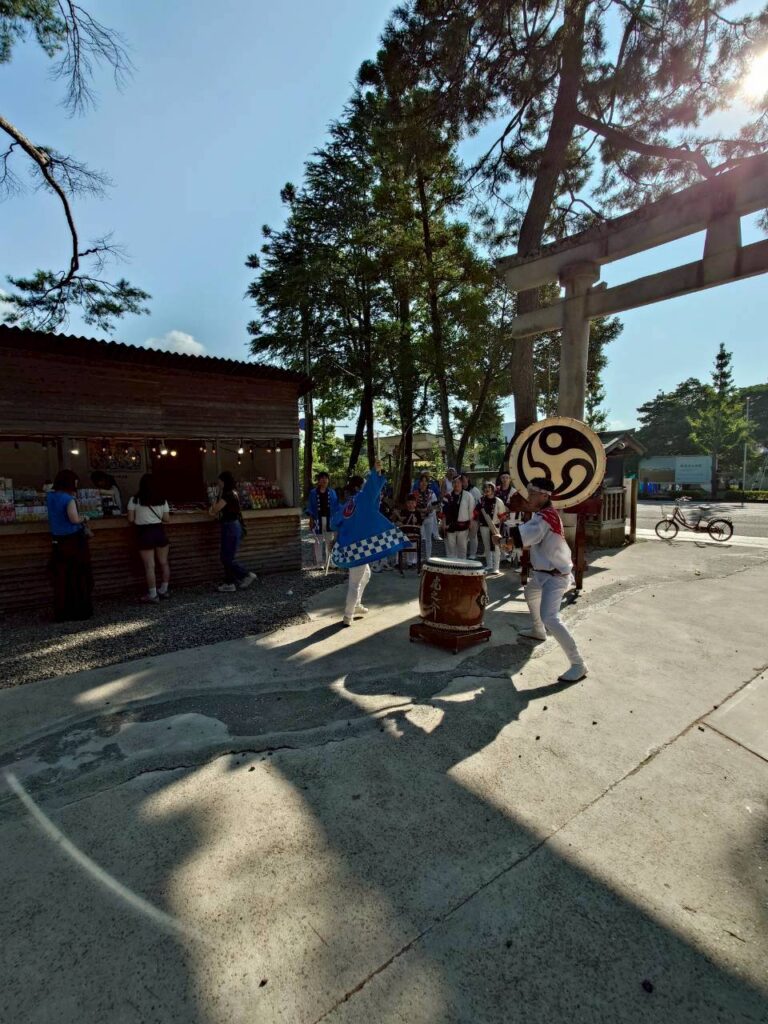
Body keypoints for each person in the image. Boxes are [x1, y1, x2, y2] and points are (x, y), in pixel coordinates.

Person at [503, 477, 587, 683]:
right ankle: (538, 630)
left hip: (555, 576)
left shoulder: (545, 518)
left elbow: (523, 536)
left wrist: (506, 541)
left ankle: (578, 664)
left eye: (532, 494)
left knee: (550, 617)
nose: (529, 497)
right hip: (543, 574)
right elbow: (529, 539)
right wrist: (510, 542)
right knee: (530, 592)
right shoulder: (544, 514)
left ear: (544, 495)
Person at [331, 459, 410, 626]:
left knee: (366, 574)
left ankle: (356, 605)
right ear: (359, 487)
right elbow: (372, 488)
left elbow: (335, 521)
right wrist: (376, 471)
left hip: (349, 545)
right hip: (359, 546)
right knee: (354, 582)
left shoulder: (349, 503)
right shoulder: (362, 498)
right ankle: (348, 615)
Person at [45, 470, 93, 621]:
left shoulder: (50, 496)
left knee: (61, 577)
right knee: (77, 576)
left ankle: (62, 611)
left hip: (57, 540)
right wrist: (84, 517)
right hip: (73, 540)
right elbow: (74, 519)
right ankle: (79, 610)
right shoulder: (68, 499)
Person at [208, 471, 257, 593]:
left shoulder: (228, 495)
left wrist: (212, 498)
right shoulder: (233, 493)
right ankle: (230, 582)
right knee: (226, 557)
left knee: (227, 557)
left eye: (219, 482)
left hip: (229, 527)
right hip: (233, 526)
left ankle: (245, 575)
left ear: (224, 482)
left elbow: (215, 510)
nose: (218, 484)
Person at [127, 474, 171, 603]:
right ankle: (164, 590)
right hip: (159, 531)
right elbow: (166, 519)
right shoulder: (162, 499)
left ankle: (153, 595)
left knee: (149, 566)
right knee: (164, 562)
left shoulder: (134, 500)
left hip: (144, 533)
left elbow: (130, 519)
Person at [306, 471, 339, 568]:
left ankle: (330, 561)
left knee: (329, 540)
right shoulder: (313, 493)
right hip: (317, 520)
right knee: (318, 541)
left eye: (326, 478)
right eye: (322, 478)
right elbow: (310, 507)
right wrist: (311, 519)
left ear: (328, 480)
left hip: (330, 519)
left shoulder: (332, 492)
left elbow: (336, 507)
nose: (324, 480)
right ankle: (319, 562)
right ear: (319, 480)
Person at [475, 482, 507, 576]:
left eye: (489, 487)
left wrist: (500, 526)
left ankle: (496, 568)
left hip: (495, 526)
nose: (487, 489)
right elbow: (475, 513)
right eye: (485, 488)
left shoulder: (498, 501)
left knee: (496, 547)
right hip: (483, 526)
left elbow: (502, 516)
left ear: (493, 489)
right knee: (487, 546)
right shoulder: (481, 500)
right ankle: (489, 565)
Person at [440, 475, 475, 559]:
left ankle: (462, 566)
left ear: (462, 483)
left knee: (462, 549)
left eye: (458, 482)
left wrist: (471, 524)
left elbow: (471, 511)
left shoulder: (468, 496)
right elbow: (443, 512)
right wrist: (443, 524)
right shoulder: (447, 496)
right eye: (454, 482)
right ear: (452, 484)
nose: (456, 484)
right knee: (451, 549)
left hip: (463, 526)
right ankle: (452, 566)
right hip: (449, 526)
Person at [413, 474, 439, 561]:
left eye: (425, 481)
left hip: (429, 517)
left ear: (428, 483)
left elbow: (435, 505)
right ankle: (416, 558)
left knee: (428, 539)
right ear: (419, 482)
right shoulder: (415, 493)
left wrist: (429, 509)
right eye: (422, 481)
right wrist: (420, 510)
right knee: (418, 538)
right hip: (418, 518)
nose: (423, 483)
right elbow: (413, 506)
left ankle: (428, 557)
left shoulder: (431, 493)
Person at [461, 473, 482, 559]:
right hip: (462, 516)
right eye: (461, 479)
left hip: (473, 516)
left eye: (463, 479)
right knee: (463, 535)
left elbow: (479, 504)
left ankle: (473, 553)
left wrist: (474, 516)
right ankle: (463, 552)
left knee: (473, 535)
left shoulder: (474, 490)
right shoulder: (459, 490)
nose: (462, 481)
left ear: (467, 479)